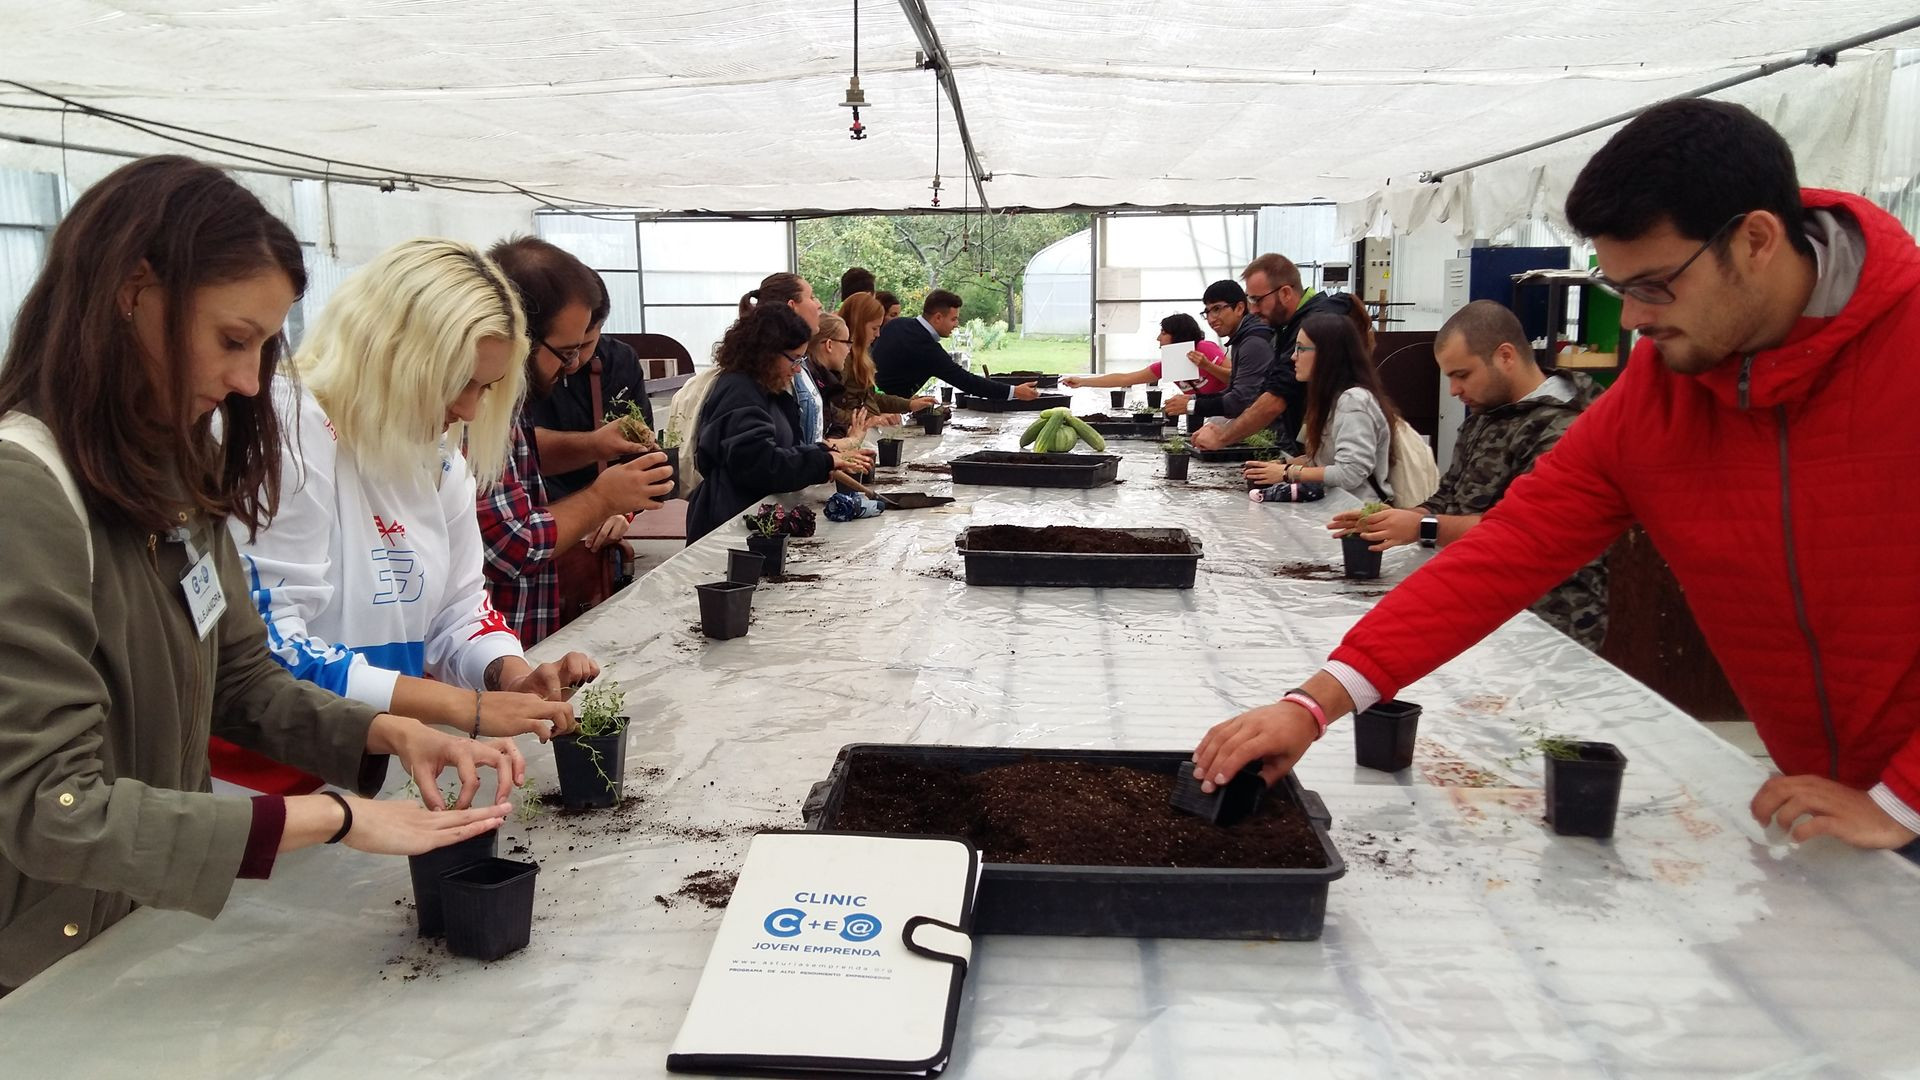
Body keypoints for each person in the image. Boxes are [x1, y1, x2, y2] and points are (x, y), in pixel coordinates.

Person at [1191, 99, 1920, 855]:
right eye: (1618, 288)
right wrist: (1313, 704)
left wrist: (1904, 800)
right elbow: (1506, 551)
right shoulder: (1660, 396)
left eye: (1655, 286)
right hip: (1831, 809)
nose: (1631, 320)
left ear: (1757, 240)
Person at [0, 156, 519, 994]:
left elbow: (241, 678)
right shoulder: (26, 493)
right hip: (34, 968)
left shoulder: (171, 481)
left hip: (129, 934)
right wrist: (336, 817)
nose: (249, 379)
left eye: (265, 346)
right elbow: (48, 809)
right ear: (132, 293)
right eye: (232, 339)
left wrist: (387, 734)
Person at [228, 238, 600, 797]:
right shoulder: (290, 429)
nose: (469, 410)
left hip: (372, 780)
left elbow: (459, 608)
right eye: (457, 382)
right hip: (266, 791)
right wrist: (465, 705)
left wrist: (510, 675)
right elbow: (271, 648)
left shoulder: (439, 458)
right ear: (391, 354)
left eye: (486, 387)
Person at [1330, 300, 1607, 649]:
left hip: (1545, 622)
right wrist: (1396, 518)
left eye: (1462, 375)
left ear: (1505, 356)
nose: (1454, 390)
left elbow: (1524, 534)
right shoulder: (1486, 415)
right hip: (1480, 605)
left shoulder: (1566, 429)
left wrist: (1422, 527)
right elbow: (1448, 498)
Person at [478, 237, 675, 647]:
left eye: (583, 347)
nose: (573, 366)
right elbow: (513, 544)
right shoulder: (473, 404)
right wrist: (603, 499)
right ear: (519, 331)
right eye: (566, 351)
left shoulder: (501, 397)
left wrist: (595, 445)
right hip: (492, 643)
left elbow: (523, 457)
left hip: (519, 631)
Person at [685, 304, 872, 541]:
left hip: (750, 516)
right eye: (794, 359)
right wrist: (822, 461)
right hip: (729, 523)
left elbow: (782, 450)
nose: (797, 370)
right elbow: (760, 464)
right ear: (767, 352)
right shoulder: (740, 393)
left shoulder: (763, 389)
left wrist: (824, 453)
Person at [1191, 254, 1348, 452]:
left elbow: (1274, 399)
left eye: (1257, 300)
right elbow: (1264, 390)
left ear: (1285, 293)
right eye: (1250, 300)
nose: (1253, 310)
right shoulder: (1287, 328)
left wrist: (1222, 436)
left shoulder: (1313, 326)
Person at [527, 270, 654, 501]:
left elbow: (640, 447)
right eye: (564, 350)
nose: (572, 361)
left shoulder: (621, 360)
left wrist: (622, 511)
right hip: (541, 508)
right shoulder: (523, 369)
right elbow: (521, 450)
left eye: (583, 345)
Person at [1243, 313, 1395, 502]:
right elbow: (1322, 459)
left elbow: (1350, 473)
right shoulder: (1328, 399)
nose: (1293, 356)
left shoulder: (1354, 401)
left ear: (1327, 354)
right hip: (1334, 507)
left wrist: (1288, 472)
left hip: (1360, 512)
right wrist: (1279, 465)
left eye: (1300, 349)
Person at [872, 290, 1040, 402]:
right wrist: (1014, 392)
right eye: (953, 319)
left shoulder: (898, 324)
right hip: (883, 412)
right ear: (938, 317)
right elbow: (967, 381)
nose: (956, 325)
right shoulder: (928, 349)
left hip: (876, 399)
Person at [1162, 281, 1274, 430]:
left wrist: (1191, 405)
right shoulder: (1241, 340)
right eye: (1207, 312)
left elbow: (1240, 401)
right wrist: (1192, 398)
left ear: (1240, 308)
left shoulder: (1252, 343)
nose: (1211, 319)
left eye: (1217, 309)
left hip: (1275, 433)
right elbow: (1233, 389)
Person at [1062, 313, 1229, 396]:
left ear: (1178, 335)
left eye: (1163, 333)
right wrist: (1082, 381)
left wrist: (1207, 366)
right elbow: (1125, 379)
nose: (1158, 338)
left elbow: (1236, 378)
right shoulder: (1170, 364)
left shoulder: (1204, 348)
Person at [839, 291, 935, 424]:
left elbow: (871, 397)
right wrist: (871, 420)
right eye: (874, 328)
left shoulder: (860, 355)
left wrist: (909, 405)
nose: (878, 334)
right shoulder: (843, 360)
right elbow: (831, 411)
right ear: (859, 325)